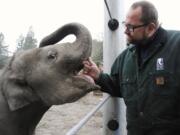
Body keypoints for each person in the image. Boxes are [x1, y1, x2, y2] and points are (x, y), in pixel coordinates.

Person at [82, 1, 180, 135]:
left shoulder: (176, 46)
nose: (125, 30)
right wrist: (98, 75)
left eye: (131, 27)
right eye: (125, 24)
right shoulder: (125, 57)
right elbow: (116, 86)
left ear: (151, 28)